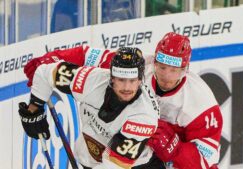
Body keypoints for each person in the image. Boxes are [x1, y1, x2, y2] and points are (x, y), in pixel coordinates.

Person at [23, 32, 223, 169]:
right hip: (119, 151)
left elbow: (208, 163)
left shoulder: (201, 104)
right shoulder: (134, 68)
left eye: (174, 70)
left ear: (185, 69)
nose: (166, 76)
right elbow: (87, 56)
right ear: (154, 61)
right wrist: (48, 61)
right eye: (162, 67)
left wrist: (176, 149)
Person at [18, 47, 160, 169]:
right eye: (121, 79)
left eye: (132, 80)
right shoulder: (89, 80)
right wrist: (34, 107)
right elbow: (44, 73)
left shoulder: (144, 117)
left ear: (140, 79)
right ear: (111, 77)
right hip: (90, 159)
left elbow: (113, 166)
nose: (126, 87)